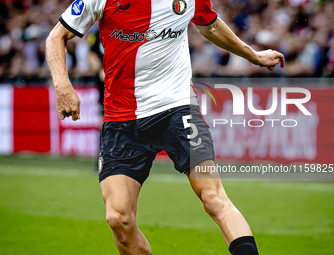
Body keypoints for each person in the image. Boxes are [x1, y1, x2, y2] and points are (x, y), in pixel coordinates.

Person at [45, 0, 284, 254]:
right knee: (119, 218)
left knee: (214, 199)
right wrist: (62, 86)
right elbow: (56, 36)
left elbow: (211, 27)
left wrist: (253, 55)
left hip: (177, 109)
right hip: (122, 120)